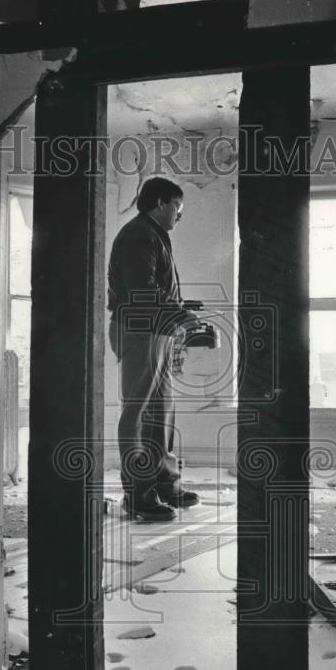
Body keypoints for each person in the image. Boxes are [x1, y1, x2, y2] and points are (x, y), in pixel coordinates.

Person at [107, 177, 202, 521]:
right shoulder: (139, 235)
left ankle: (164, 484)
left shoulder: (153, 235)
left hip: (155, 330)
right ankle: (138, 495)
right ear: (161, 203)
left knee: (161, 411)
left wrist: (181, 308)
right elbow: (140, 292)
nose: (180, 215)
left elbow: (154, 289)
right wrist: (180, 313)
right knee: (138, 415)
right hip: (139, 330)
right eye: (178, 207)